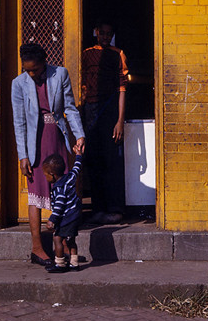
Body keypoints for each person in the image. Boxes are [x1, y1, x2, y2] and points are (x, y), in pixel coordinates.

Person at [11, 42, 85, 268]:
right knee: (35, 192)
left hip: (56, 138)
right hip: (34, 144)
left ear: (44, 62)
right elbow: (19, 121)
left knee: (61, 190)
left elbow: (70, 108)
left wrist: (79, 135)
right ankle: (37, 248)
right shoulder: (18, 83)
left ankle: (60, 248)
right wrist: (23, 155)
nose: (31, 74)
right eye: (27, 69)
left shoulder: (60, 74)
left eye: (35, 69)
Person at [80, 20, 130, 224]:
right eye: (102, 33)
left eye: (109, 34)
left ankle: (114, 208)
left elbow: (122, 88)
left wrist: (120, 120)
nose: (105, 37)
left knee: (112, 160)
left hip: (110, 110)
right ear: (95, 32)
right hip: (90, 111)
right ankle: (97, 208)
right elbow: (80, 83)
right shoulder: (85, 53)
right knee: (93, 159)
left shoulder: (118, 54)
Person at [43, 151, 83, 273]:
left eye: (46, 175)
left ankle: (60, 264)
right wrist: (79, 155)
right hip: (75, 215)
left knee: (57, 239)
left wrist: (52, 220)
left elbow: (59, 207)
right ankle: (74, 263)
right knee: (71, 239)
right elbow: (77, 168)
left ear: (52, 174)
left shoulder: (59, 188)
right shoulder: (70, 177)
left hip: (67, 217)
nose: (46, 178)